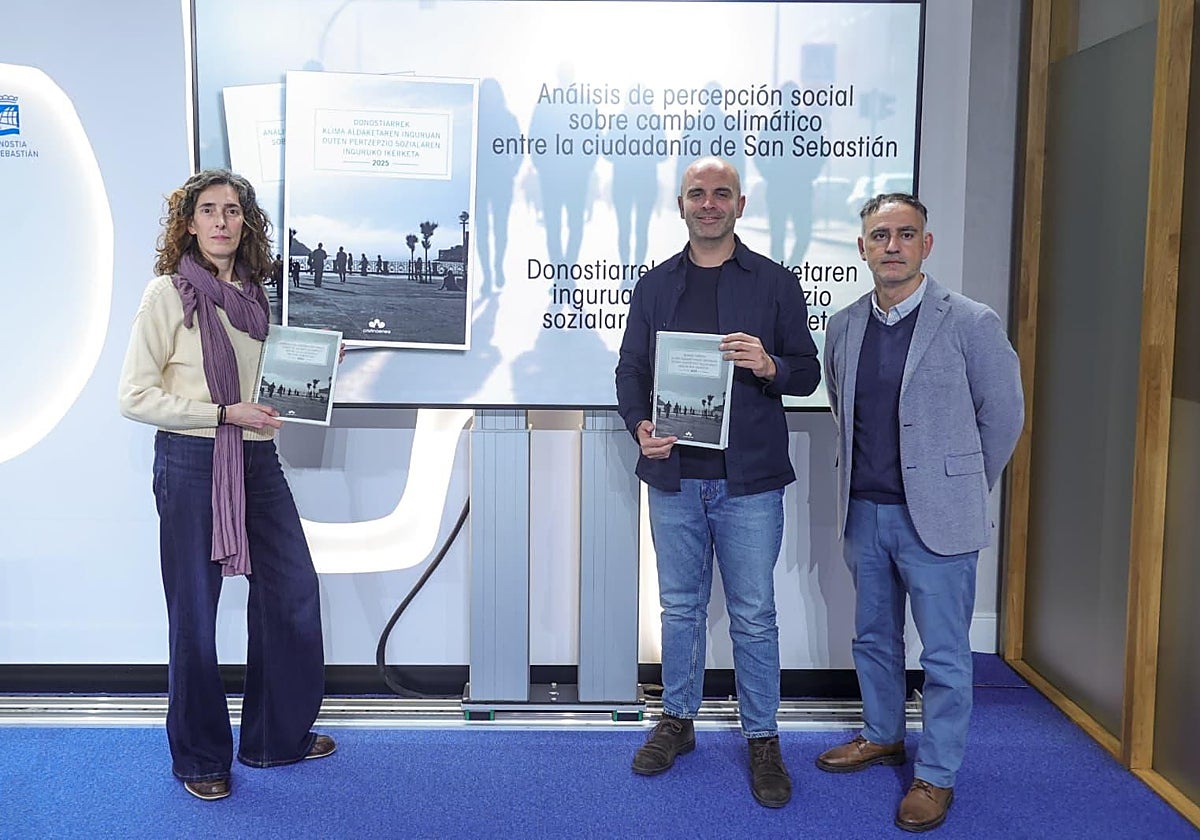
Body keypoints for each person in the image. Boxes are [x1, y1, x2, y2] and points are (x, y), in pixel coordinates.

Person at [118, 169, 336, 802]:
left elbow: (263, 379)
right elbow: (134, 394)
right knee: (194, 613)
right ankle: (201, 757)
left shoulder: (254, 295)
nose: (221, 221)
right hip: (192, 463)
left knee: (292, 593)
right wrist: (220, 414)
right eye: (208, 210)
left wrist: (314, 365)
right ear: (189, 224)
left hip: (258, 461)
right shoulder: (167, 295)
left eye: (232, 211)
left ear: (245, 223)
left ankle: (277, 738)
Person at [615, 157, 820, 809]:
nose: (709, 204)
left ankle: (762, 736)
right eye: (697, 194)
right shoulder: (654, 286)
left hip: (750, 481)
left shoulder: (776, 283)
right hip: (673, 474)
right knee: (678, 607)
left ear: (740, 204)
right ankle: (677, 720)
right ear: (680, 205)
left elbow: (808, 374)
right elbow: (630, 371)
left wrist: (768, 365)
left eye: (721, 194)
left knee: (753, 614)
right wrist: (639, 424)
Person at [817, 193, 1023, 833]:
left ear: (926, 245)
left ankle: (935, 776)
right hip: (866, 514)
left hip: (940, 522)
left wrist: (962, 484)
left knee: (945, 656)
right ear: (862, 248)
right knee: (873, 639)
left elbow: (1005, 416)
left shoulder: (970, 321)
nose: (893, 246)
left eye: (906, 234)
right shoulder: (845, 324)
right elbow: (838, 403)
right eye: (880, 236)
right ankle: (882, 734)